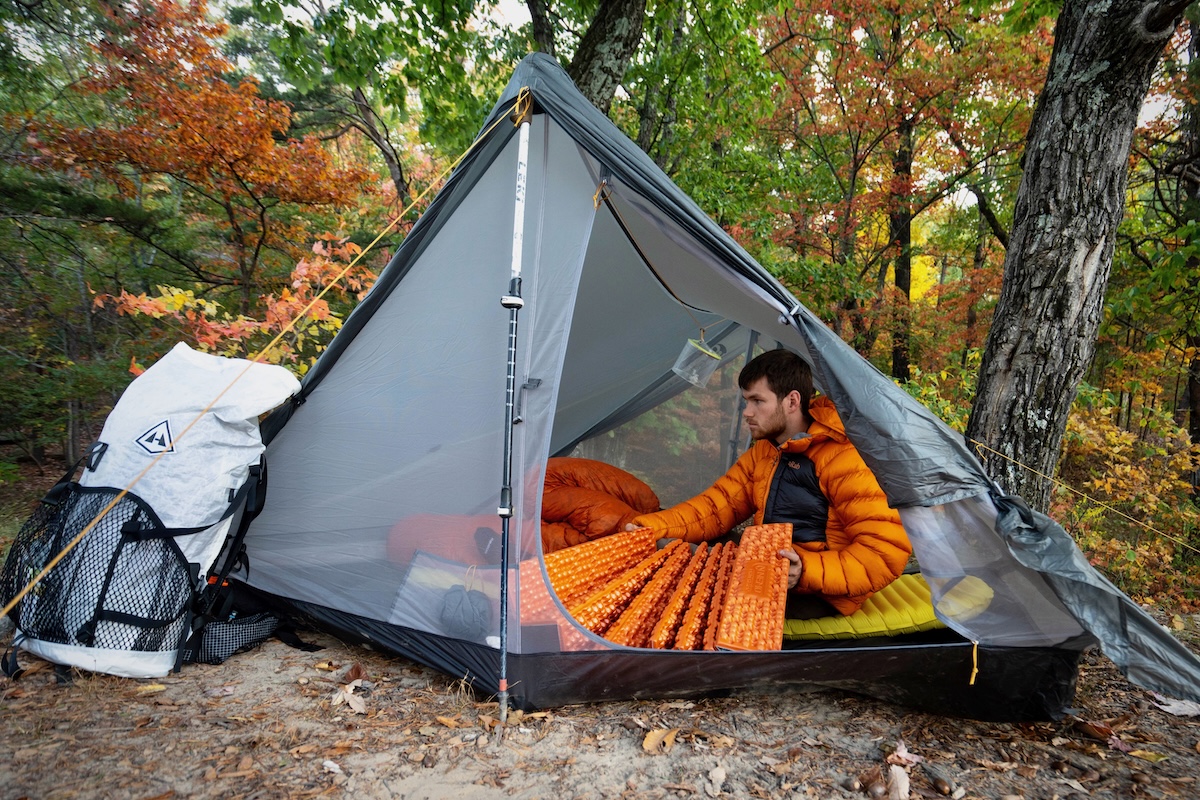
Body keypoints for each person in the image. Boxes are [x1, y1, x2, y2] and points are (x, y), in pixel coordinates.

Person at [628, 348, 911, 618]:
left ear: (791, 401)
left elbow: (885, 553)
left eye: (757, 401)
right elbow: (714, 508)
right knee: (689, 543)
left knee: (690, 582)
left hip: (820, 591)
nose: (747, 412)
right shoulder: (766, 450)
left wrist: (806, 571)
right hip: (769, 564)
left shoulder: (843, 456)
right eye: (745, 401)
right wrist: (647, 529)